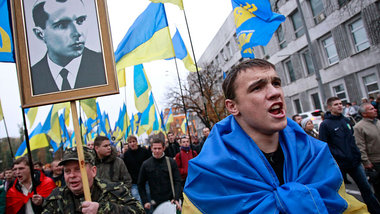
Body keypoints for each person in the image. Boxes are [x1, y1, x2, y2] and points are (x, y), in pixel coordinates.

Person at [182, 59, 367, 213]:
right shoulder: (210, 172)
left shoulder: (314, 153)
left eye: (276, 83)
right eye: (257, 88)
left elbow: (349, 207)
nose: (274, 92)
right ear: (232, 107)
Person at [31, 0, 106, 95]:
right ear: (40, 34)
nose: (78, 33)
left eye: (80, 21)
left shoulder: (104, 65)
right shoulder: (31, 78)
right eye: (62, 25)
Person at [319, 97, 380, 213]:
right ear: (329, 107)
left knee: (366, 188)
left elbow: (353, 139)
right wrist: (334, 159)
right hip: (339, 164)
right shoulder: (325, 125)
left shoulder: (346, 120)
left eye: (340, 103)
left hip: (354, 162)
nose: (340, 106)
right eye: (336, 104)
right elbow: (324, 145)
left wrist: (358, 155)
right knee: (338, 193)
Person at [42, 146, 144, 213]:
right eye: (67, 171)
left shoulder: (114, 191)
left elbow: (139, 211)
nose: (72, 175)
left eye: (78, 169)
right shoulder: (56, 198)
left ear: (93, 171)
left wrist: (102, 210)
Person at [138, 137, 181, 212]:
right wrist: (145, 201)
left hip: (171, 200)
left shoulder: (171, 162)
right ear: (151, 148)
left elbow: (177, 180)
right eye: (155, 148)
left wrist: (176, 197)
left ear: (163, 148)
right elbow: (140, 184)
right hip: (155, 202)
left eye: (159, 148)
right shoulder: (146, 164)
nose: (157, 151)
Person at [354, 102, 380, 200]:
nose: (375, 110)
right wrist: (365, 161)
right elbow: (360, 145)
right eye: (371, 109)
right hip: (375, 161)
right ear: (364, 114)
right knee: (378, 187)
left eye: (374, 108)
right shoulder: (359, 127)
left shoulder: (378, 122)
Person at [123, 135, 151, 202]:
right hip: (134, 183)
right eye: (130, 142)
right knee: (138, 202)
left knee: (148, 201)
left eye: (133, 141)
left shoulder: (144, 151)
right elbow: (126, 169)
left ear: (136, 142)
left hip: (145, 181)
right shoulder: (126, 155)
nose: (132, 143)